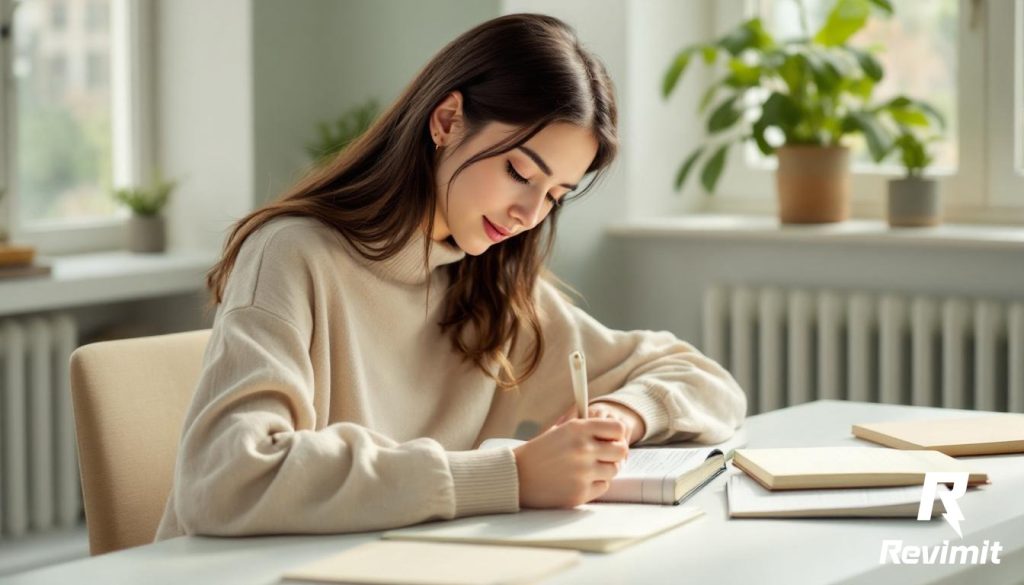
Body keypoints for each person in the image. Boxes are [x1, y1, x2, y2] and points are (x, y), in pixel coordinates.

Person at [155, 13, 745, 540]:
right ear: (447, 119)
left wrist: (625, 414)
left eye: (555, 195)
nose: (529, 214)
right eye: (519, 171)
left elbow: (707, 383)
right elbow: (226, 478)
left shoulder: (487, 280)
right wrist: (508, 476)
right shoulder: (292, 253)